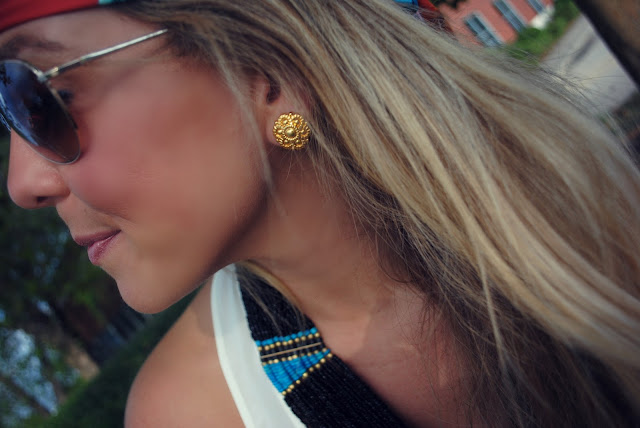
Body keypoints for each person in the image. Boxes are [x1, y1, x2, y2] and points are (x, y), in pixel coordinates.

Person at [1, 0, 639, 426]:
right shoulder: (193, 414)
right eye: (7, 118)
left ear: (268, 74)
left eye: (43, 96)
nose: (21, 183)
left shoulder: (591, 213)